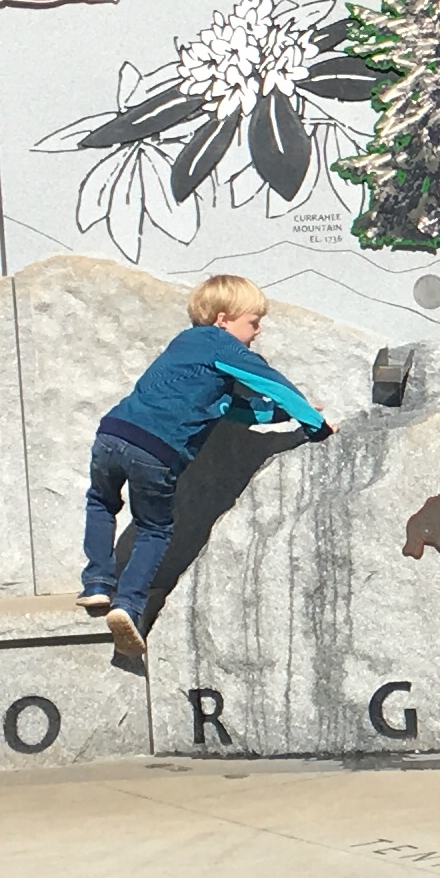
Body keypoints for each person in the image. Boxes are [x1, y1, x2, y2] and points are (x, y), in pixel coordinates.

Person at [82, 272, 329, 665]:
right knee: (156, 528)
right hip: (156, 452)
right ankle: (127, 605)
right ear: (223, 320)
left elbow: (237, 410)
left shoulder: (185, 346)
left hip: (111, 435)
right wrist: (313, 425)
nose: (258, 331)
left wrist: (284, 418)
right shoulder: (225, 347)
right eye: (253, 322)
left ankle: (96, 580)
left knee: (100, 502)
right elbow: (274, 384)